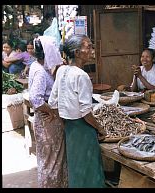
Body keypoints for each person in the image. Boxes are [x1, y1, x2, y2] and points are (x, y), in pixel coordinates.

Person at [48, 34, 107, 188]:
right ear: (77, 53)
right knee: (90, 170)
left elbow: (53, 103)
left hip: (70, 128)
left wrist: (63, 121)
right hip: (84, 129)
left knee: (76, 169)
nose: (92, 50)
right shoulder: (82, 76)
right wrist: (100, 129)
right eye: (88, 47)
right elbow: (86, 112)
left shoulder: (61, 70)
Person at [28, 37, 67, 188]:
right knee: (52, 159)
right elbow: (35, 99)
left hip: (45, 120)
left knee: (50, 157)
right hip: (48, 121)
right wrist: (50, 111)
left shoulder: (37, 66)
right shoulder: (40, 72)